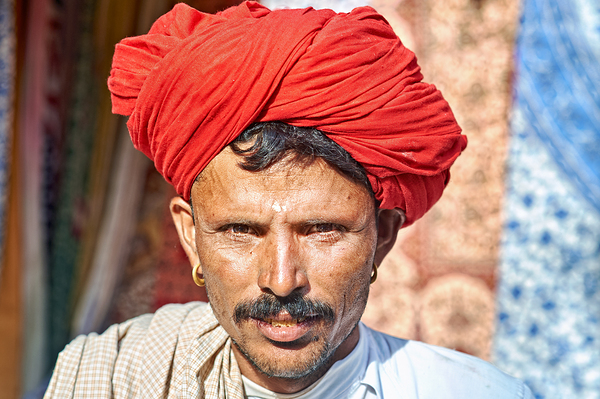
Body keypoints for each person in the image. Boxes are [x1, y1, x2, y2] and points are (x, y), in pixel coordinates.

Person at [44, 2, 533, 398]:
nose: (281, 281)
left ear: (381, 236)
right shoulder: (108, 378)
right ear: (191, 236)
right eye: (240, 230)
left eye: (322, 230)